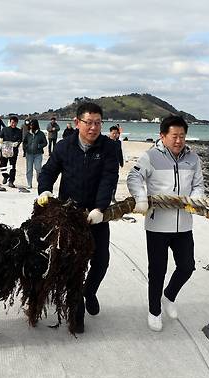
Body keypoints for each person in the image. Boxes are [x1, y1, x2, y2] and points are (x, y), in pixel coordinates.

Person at [37, 102, 119, 333]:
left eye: (97, 123)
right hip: (69, 215)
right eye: (89, 123)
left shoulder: (108, 148)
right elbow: (48, 171)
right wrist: (44, 190)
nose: (93, 128)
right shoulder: (65, 146)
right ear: (77, 123)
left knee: (101, 260)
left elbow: (109, 178)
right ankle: (76, 307)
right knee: (72, 263)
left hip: (97, 215)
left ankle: (89, 291)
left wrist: (100, 207)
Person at [127, 115, 205, 332]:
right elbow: (134, 178)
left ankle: (169, 295)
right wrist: (141, 198)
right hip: (157, 225)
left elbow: (198, 184)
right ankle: (154, 311)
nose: (178, 140)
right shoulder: (151, 156)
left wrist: (196, 199)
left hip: (184, 224)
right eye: (174, 136)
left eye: (182, 136)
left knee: (187, 266)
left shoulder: (193, 158)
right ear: (163, 136)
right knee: (157, 271)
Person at [22, 119, 47, 189]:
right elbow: (24, 142)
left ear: (36, 125)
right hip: (29, 154)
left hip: (38, 154)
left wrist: (39, 146)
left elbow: (45, 143)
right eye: (30, 125)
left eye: (32, 125)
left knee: (38, 168)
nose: (31, 126)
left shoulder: (41, 134)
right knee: (29, 169)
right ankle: (29, 184)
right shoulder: (28, 133)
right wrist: (25, 148)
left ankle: (39, 182)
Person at [0, 115, 22, 187]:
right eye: (12, 122)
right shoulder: (5, 129)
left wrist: (17, 143)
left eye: (15, 123)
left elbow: (20, 139)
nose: (13, 124)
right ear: (10, 122)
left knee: (12, 167)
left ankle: (11, 181)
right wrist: (0, 139)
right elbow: (0, 136)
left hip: (14, 151)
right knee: (2, 165)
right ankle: (5, 176)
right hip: (4, 150)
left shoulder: (19, 131)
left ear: (17, 123)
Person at [107, 125, 124, 202]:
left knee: (115, 181)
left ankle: (113, 196)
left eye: (116, 133)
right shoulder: (106, 142)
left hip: (115, 165)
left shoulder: (118, 142)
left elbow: (120, 152)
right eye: (113, 133)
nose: (114, 135)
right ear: (110, 133)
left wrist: (121, 162)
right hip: (107, 166)